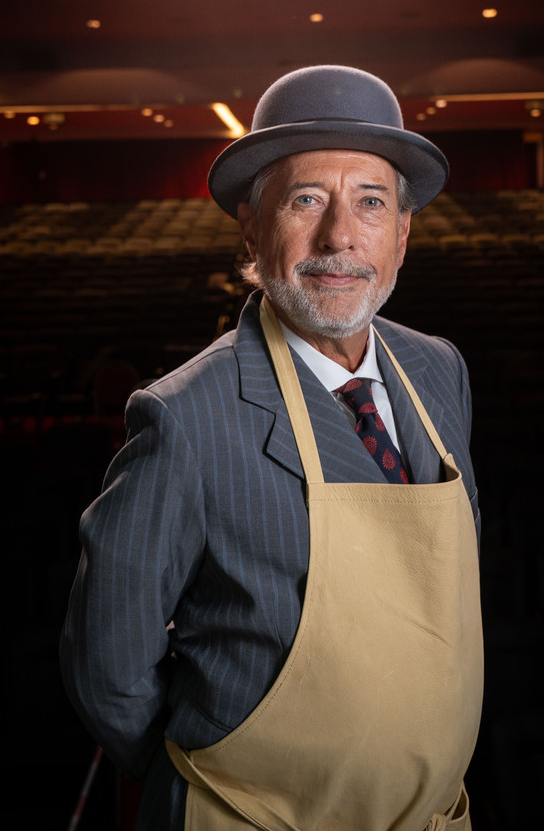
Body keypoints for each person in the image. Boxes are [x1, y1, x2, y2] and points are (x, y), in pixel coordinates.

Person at [60, 65, 483, 831]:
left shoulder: (438, 371)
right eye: (306, 200)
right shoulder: (183, 418)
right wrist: (207, 785)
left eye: (371, 203)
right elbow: (106, 666)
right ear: (252, 228)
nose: (340, 238)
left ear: (403, 232)